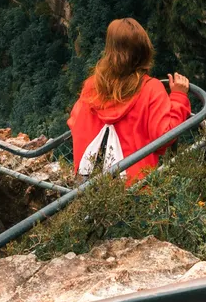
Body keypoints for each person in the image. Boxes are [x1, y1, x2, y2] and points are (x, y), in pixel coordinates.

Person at [68, 18, 191, 184]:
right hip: (132, 188)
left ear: (110, 50)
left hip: (87, 183)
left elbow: (74, 122)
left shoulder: (92, 85)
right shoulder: (151, 89)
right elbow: (164, 137)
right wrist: (178, 97)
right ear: (144, 50)